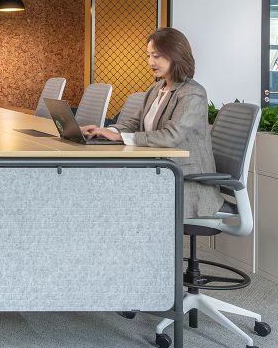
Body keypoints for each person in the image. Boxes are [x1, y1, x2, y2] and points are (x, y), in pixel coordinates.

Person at [81, 27, 223, 218]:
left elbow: (171, 136)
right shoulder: (157, 88)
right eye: (148, 55)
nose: (150, 62)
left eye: (156, 56)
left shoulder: (192, 93)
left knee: (114, 195)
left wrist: (121, 137)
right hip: (158, 172)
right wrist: (105, 130)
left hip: (185, 180)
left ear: (175, 55)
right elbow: (135, 122)